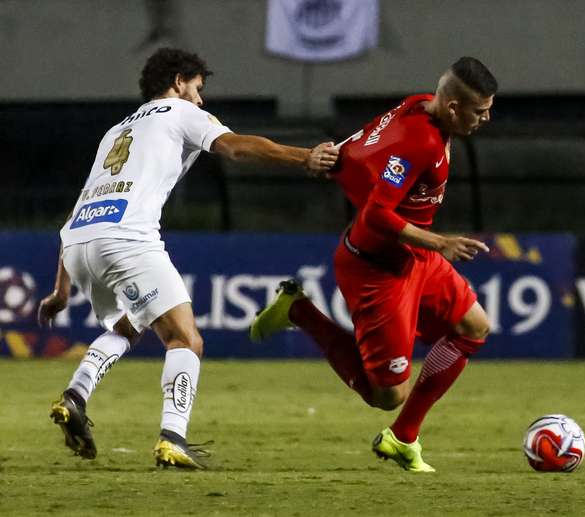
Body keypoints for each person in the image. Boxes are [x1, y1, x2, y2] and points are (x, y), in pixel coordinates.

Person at [37, 47, 339, 469]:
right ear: (179, 81)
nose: (200, 100)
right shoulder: (179, 112)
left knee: (131, 324)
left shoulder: (115, 132)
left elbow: (76, 211)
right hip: (128, 240)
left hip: (82, 243)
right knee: (185, 338)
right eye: (197, 88)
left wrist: (60, 289)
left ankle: (75, 396)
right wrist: (303, 156)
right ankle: (172, 437)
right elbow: (235, 148)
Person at [250, 57, 496, 472]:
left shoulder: (419, 103)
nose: (486, 117)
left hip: (414, 257)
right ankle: (299, 311)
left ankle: (403, 438)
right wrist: (440, 242)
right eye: (480, 110)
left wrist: (337, 157)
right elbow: (377, 215)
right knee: (386, 395)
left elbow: (370, 143)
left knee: (474, 326)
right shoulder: (423, 143)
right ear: (454, 108)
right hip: (376, 269)